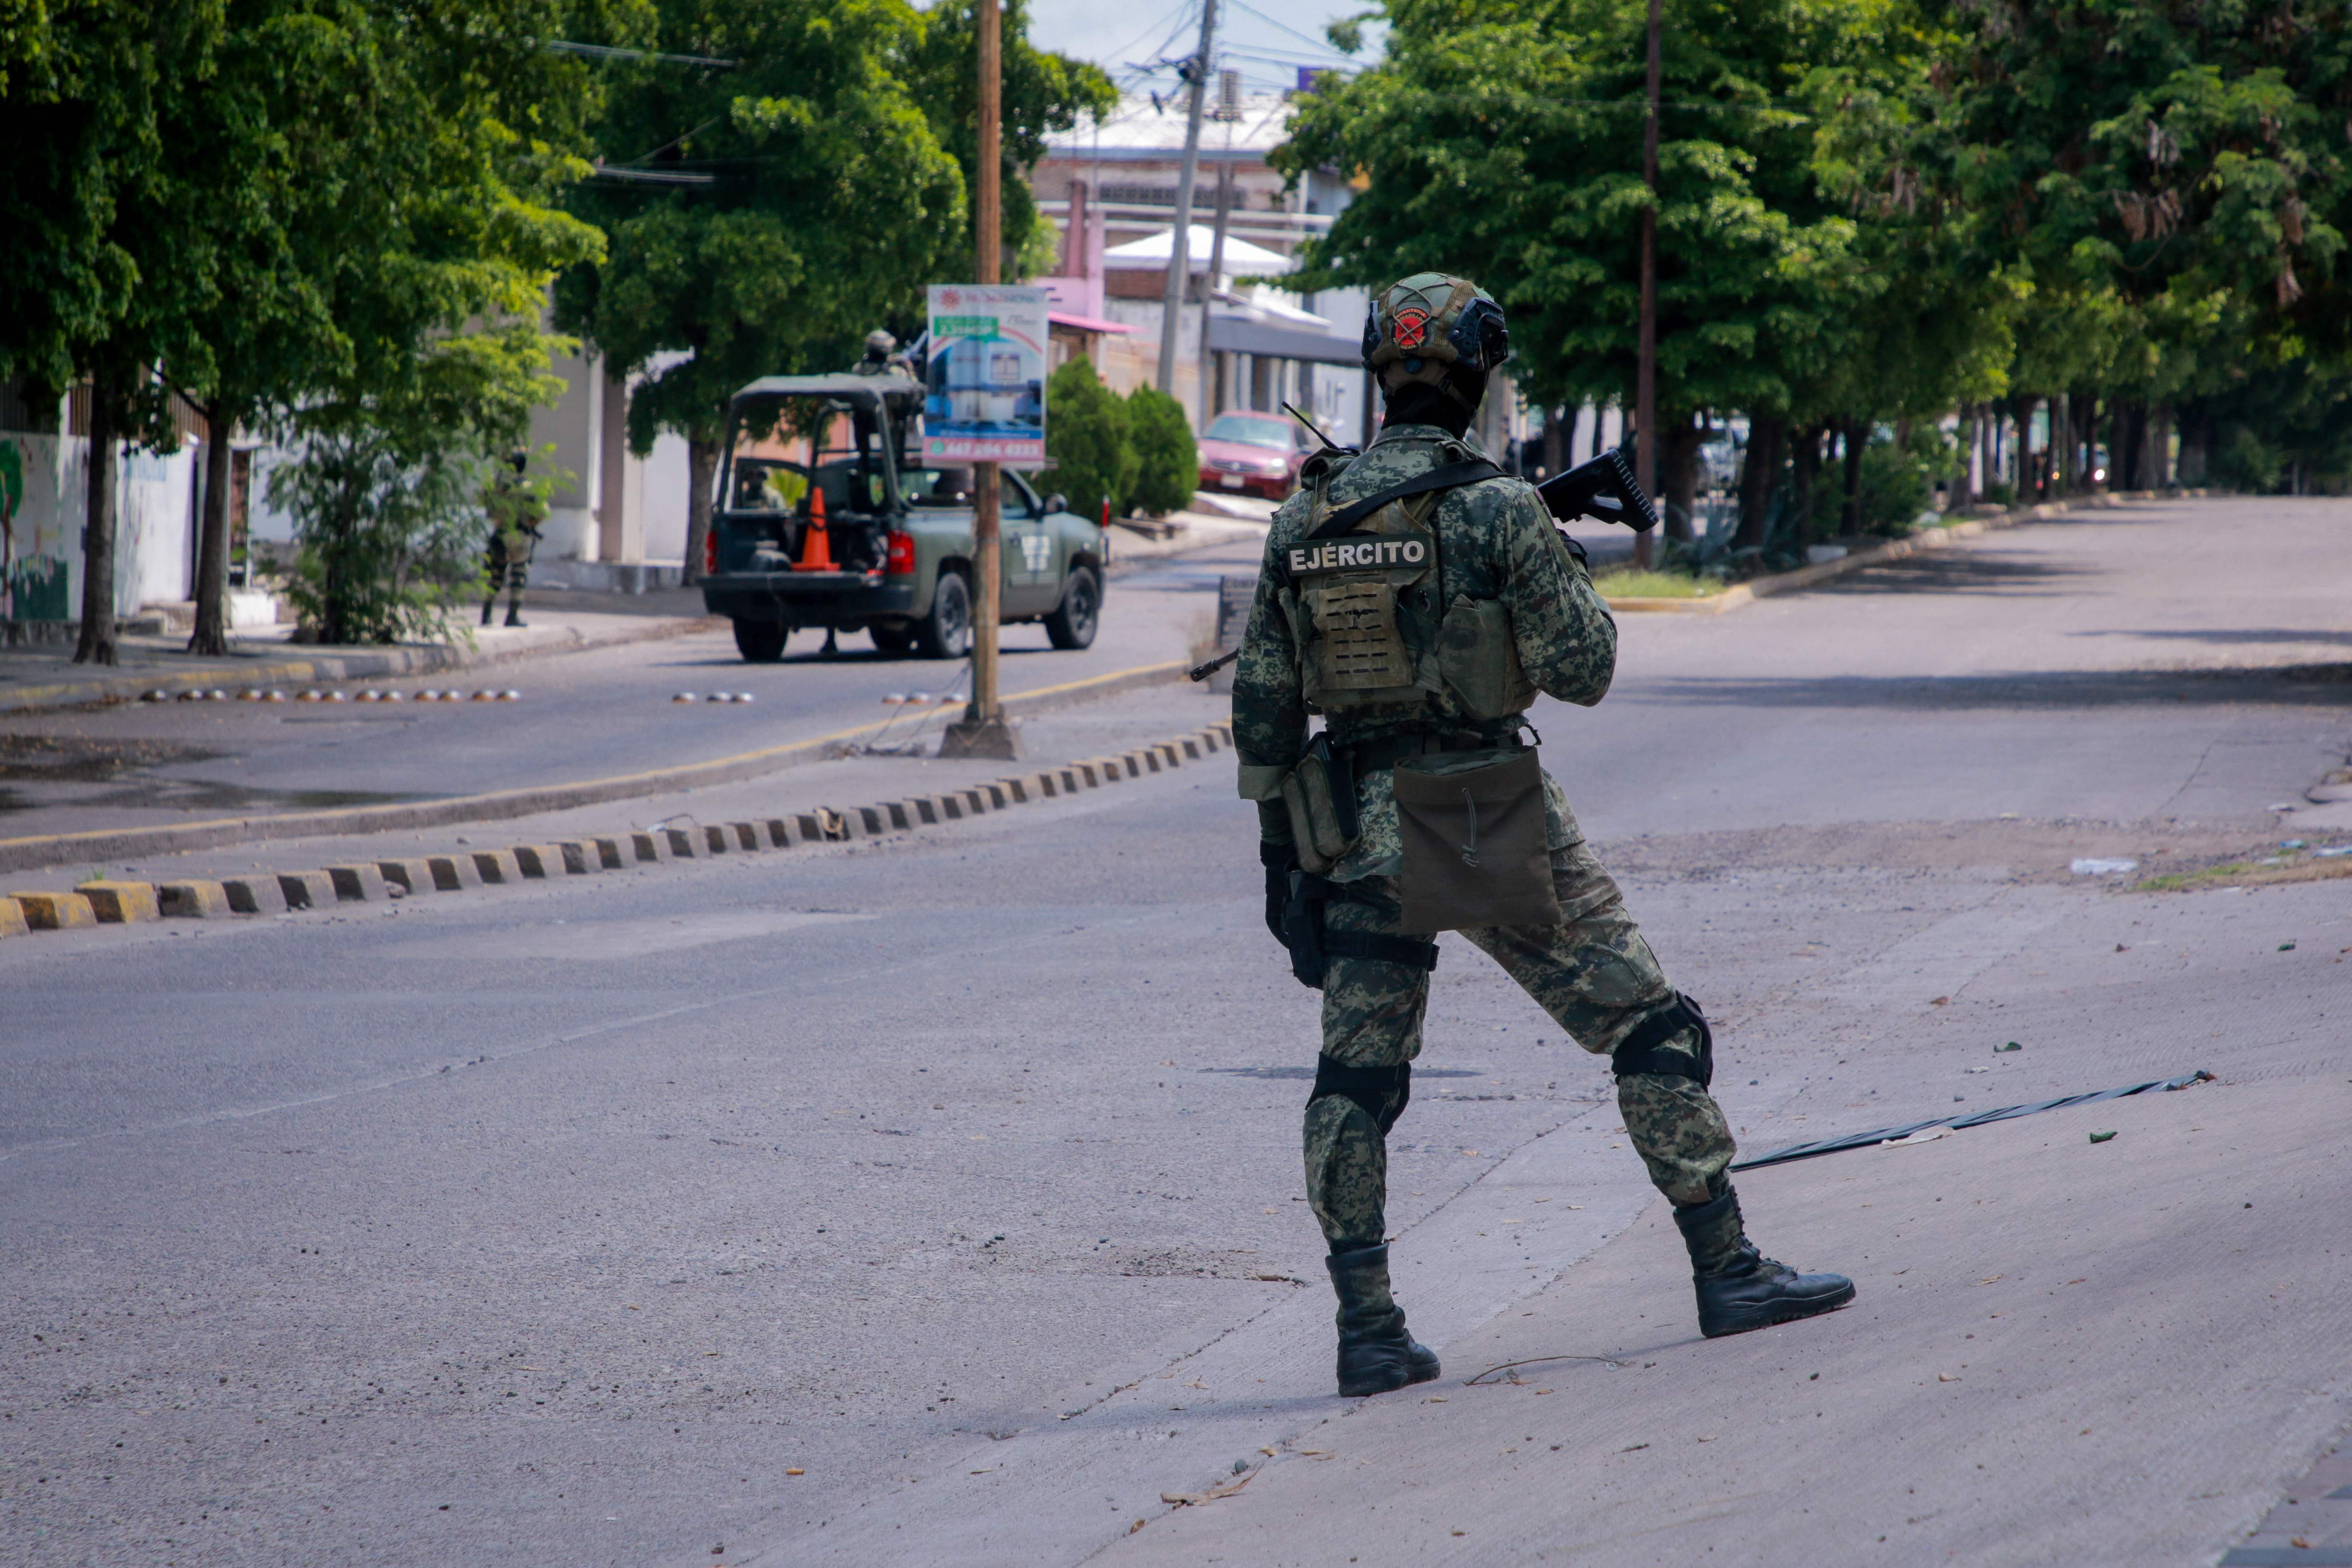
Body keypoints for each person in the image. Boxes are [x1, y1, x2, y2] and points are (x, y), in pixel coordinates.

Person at [1232, 272, 1854, 1399]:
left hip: (1359, 831)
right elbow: (1586, 671)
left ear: (1380, 371)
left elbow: (1264, 719)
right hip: (1489, 818)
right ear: (1478, 374)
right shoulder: (1498, 506)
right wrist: (1550, 557)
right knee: (1652, 1029)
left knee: (1354, 1080)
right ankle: (1726, 1268)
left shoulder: (1303, 513)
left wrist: (1287, 869)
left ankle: (1368, 1329)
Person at [482, 450, 544, 628]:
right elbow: (542, 512)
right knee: (519, 575)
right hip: (521, 536)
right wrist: (531, 521)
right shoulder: (529, 487)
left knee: (495, 575)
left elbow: (489, 508)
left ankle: (486, 614)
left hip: (500, 535)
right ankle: (513, 616)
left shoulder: (497, 486)